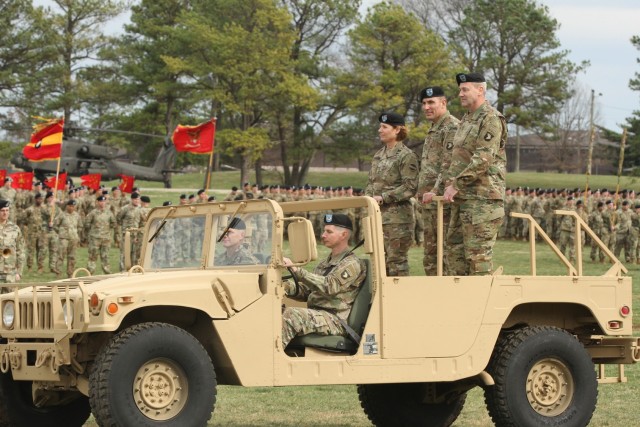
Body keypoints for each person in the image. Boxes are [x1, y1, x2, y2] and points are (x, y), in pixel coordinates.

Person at [443, 72, 507, 276]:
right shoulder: (466, 120)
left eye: (465, 89)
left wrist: (456, 185)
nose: (460, 94)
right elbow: (457, 160)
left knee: (477, 259)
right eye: (460, 90)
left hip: (483, 201)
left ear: (480, 90)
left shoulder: (490, 118)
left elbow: (483, 159)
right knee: (455, 258)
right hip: (463, 200)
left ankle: (484, 307)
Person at [281, 214, 366, 348]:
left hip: (335, 320)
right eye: (324, 231)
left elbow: (330, 286)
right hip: (318, 315)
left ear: (343, 235)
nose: (323, 235)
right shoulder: (325, 263)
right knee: (274, 311)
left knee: (293, 315)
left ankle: (268, 360)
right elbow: (308, 291)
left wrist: (298, 271)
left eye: (329, 232)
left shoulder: (352, 263)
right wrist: (284, 287)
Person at [365, 112, 419, 276]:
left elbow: (410, 186)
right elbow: (371, 183)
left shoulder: (406, 156)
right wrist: (367, 199)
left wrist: (384, 197)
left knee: (396, 263)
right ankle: (381, 300)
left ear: (396, 130)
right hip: (377, 217)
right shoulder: (378, 155)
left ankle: (400, 300)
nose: (379, 130)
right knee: (378, 264)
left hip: (397, 220)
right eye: (380, 126)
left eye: (384, 127)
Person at [417, 86, 460, 275]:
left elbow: (449, 165)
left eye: (431, 102)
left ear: (443, 103)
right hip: (430, 204)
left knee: (446, 255)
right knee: (430, 255)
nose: (427, 107)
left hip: (444, 202)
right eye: (424, 103)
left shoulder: (451, 127)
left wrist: (435, 191)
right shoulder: (434, 129)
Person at [85, 195, 116, 274]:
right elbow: (87, 224)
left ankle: (107, 272)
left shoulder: (109, 213)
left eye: (104, 201)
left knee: (105, 256)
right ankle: (89, 272)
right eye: (101, 201)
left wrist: (107, 230)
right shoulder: (93, 213)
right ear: (97, 202)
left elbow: (114, 223)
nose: (102, 203)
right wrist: (93, 231)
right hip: (95, 239)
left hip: (106, 239)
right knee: (93, 256)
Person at [0, 200, 25, 290]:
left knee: (10, 300)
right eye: (2, 210)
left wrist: (19, 272)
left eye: (7, 210)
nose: (5, 213)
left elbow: (20, 251)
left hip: (10, 272)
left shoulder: (15, 228)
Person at [55, 199, 82, 277]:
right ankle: (58, 272)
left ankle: (70, 273)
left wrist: (76, 233)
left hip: (73, 239)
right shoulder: (62, 215)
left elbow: (80, 226)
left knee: (72, 256)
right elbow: (55, 225)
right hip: (64, 239)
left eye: (73, 206)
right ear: (67, 206)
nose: (71, 208)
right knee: (61, 255)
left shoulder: (77, 215)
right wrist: (61, 233)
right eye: (70, 206)